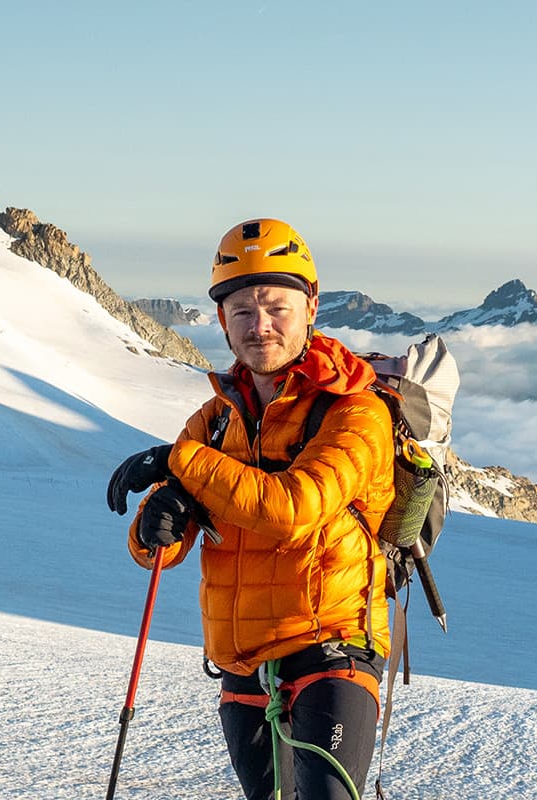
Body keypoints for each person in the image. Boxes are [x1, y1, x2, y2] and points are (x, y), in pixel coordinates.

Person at [105, 218, 395, 800]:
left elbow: (295, 507)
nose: (259, 325)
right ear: (222, 320)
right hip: (240, 666)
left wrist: (180, 465)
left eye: (275, 306)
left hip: (331, 648)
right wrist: (156, 525)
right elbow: (159, 551)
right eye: (242, 310)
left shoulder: (355, 411)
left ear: (310, 306)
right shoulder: (216, 420)